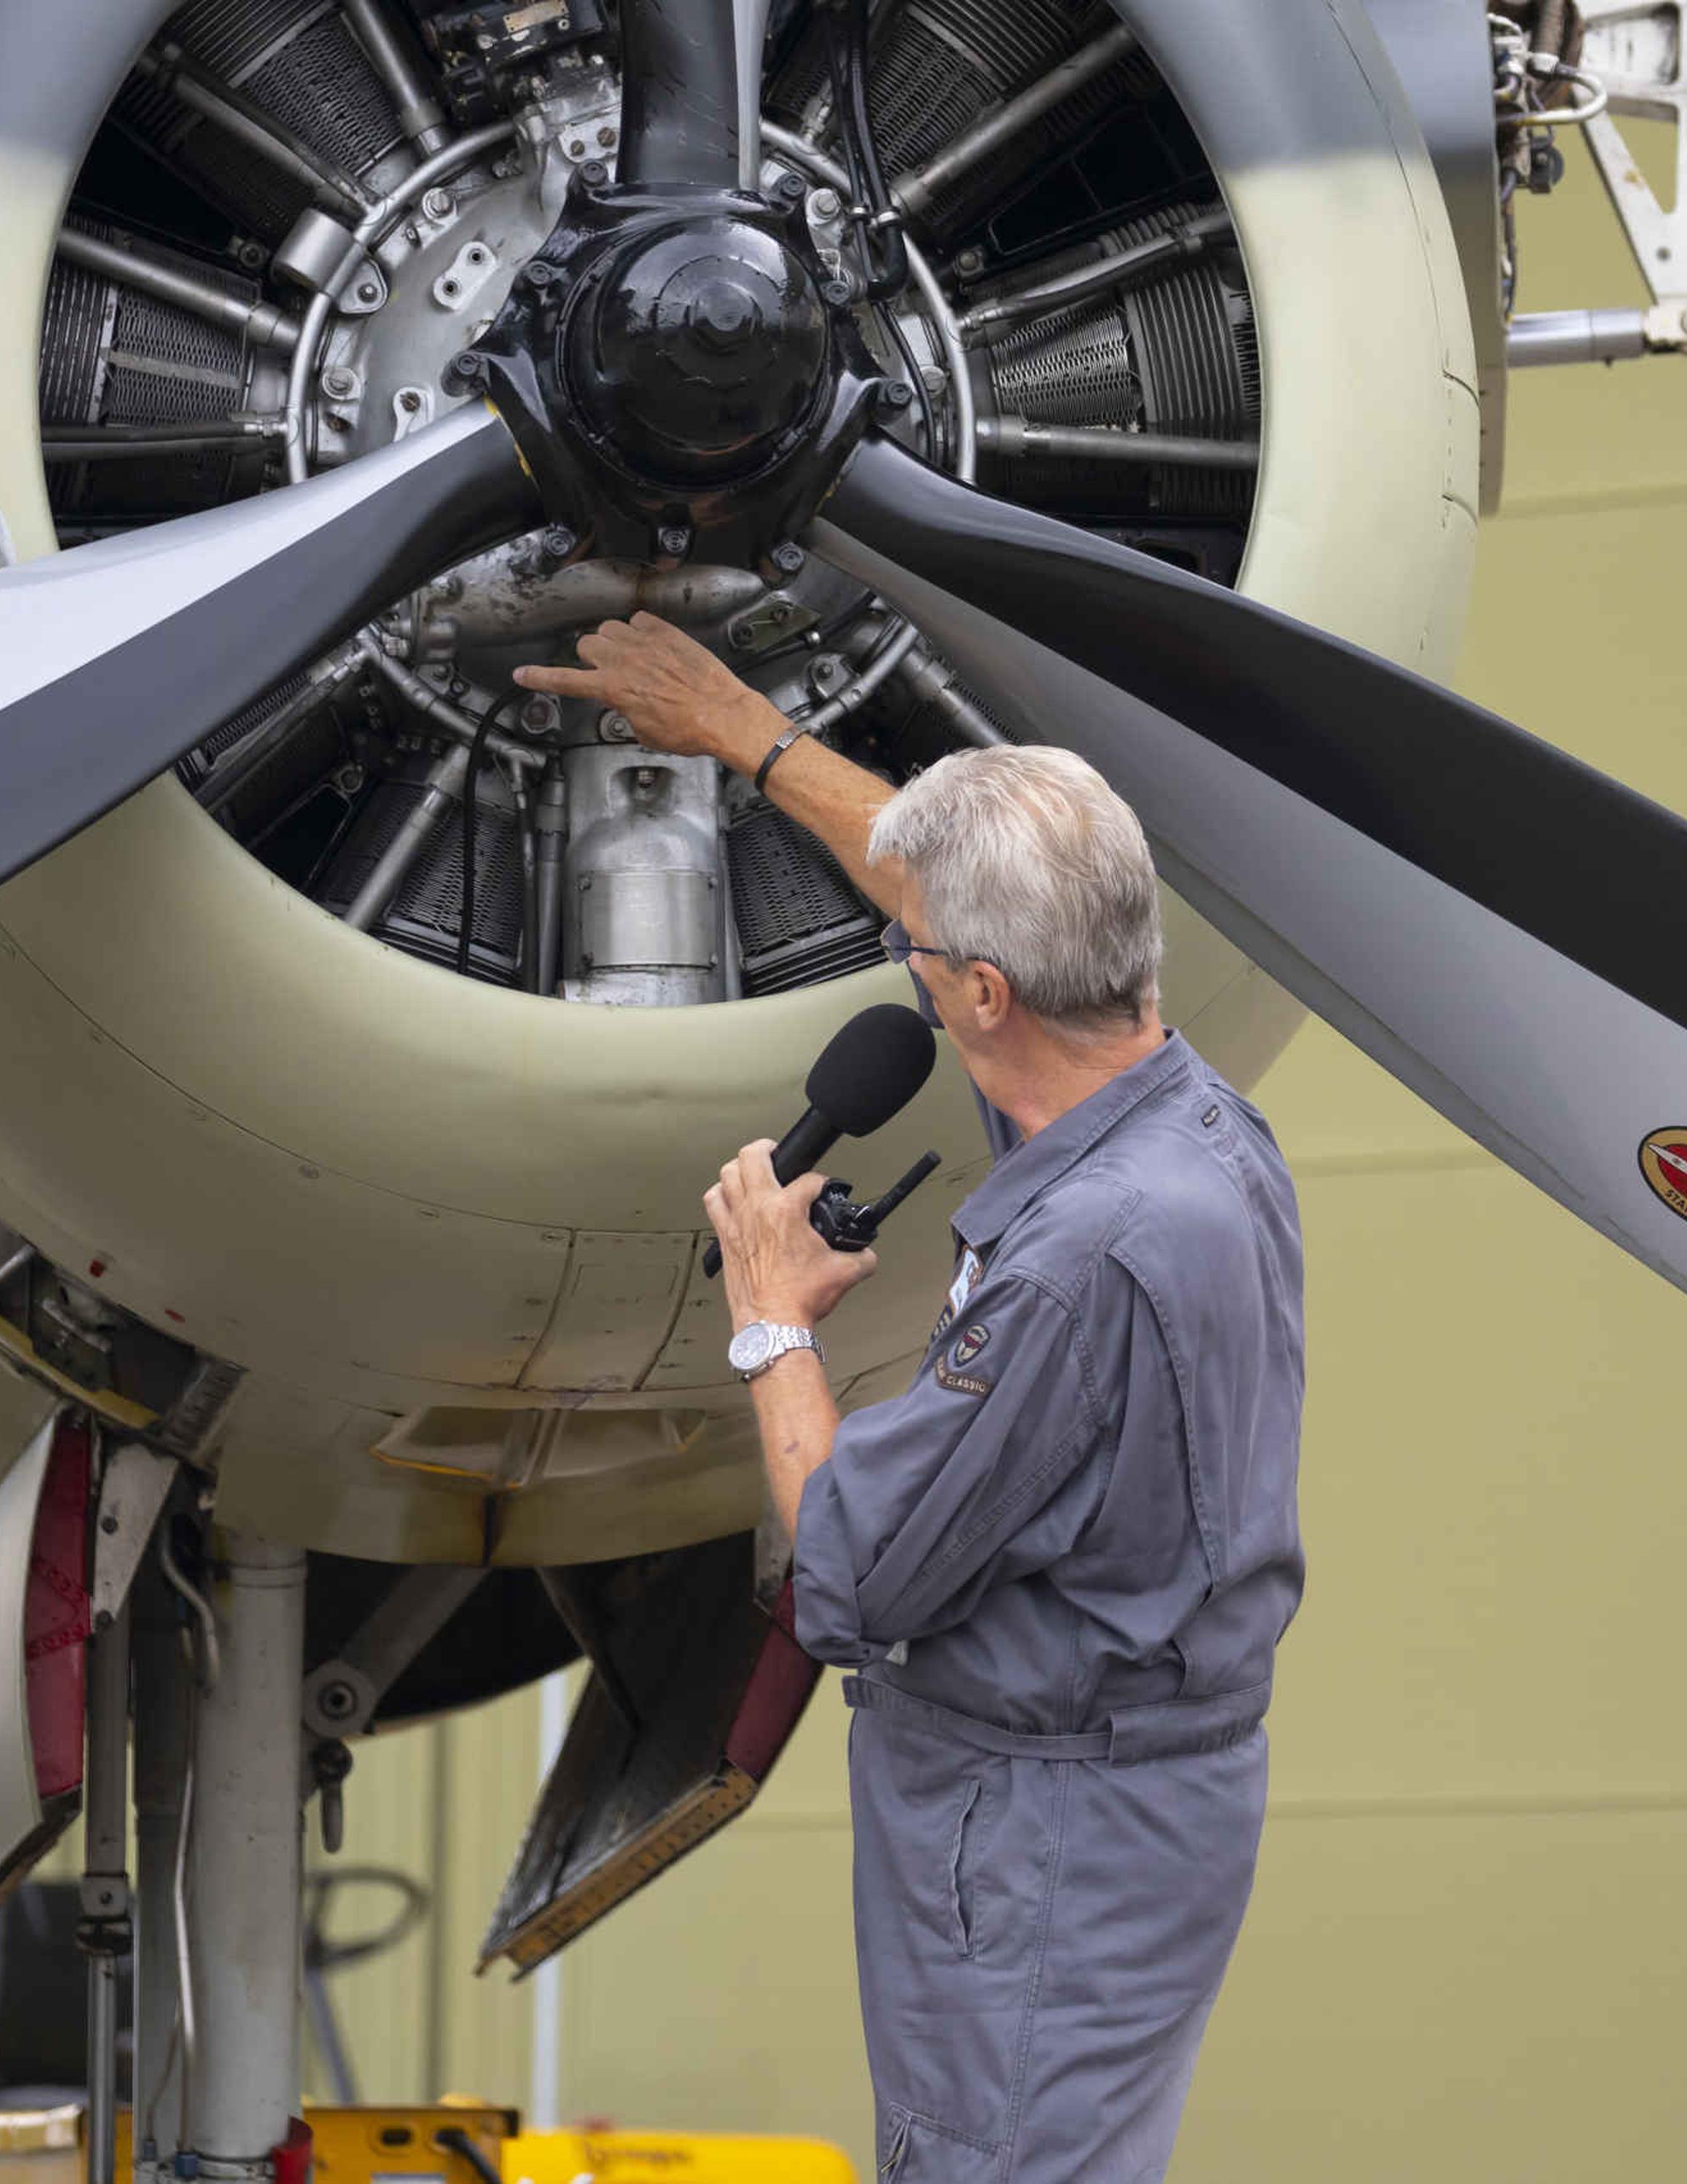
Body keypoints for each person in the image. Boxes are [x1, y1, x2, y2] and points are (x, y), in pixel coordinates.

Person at [518, 617, 1306, 2180]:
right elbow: (963, 902)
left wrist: (771, 1322)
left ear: (989, 993)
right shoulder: (1190, 1121)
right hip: (1145, 1802)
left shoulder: (1079, 1260)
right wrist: (744, 731)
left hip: (1037, 1848)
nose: (912, 979)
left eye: (923, 966)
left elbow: (851, 1572)